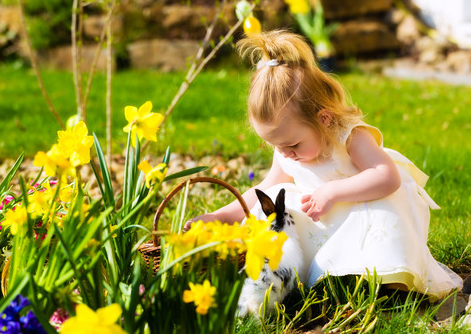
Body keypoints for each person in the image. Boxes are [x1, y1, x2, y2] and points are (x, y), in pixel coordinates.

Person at [185, 30, 463, 300]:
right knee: (273, 213)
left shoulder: (349, 136)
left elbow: (387, 177)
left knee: (385, 210)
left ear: (324, 119)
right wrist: (218, 217)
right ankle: (309, 275)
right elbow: (265, 190)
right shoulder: (286, 150)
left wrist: (333, 192)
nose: (284, 153)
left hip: (360, 209)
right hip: (322, 222)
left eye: (292, 145)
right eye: (276, 146)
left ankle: (384, 281)